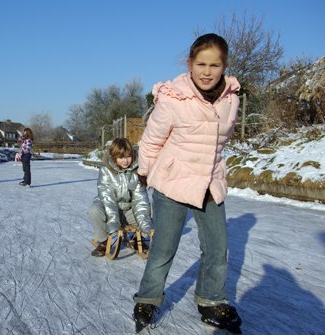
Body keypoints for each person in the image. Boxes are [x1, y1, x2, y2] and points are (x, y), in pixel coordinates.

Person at [132, 33, 242, 334]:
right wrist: (145, 171)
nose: (207, 71)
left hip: (209, 182)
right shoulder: (173, 98)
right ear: (190, 64)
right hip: (172, 182)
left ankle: (211, 300)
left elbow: (220, 142)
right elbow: (152, 141)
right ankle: (148, 298)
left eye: (215, 65)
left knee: (218, 248)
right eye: (201, 64)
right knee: (165, 247)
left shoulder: (231, 100)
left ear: (224, 66)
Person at [89, 138, 152, 257]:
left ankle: (137, 239)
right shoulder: (106, 171)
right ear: (114, 157)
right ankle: (103, 241)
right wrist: (114, 224)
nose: (126, 161)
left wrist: (146, 227)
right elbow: (108, 199)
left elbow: (140, 201)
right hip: (108, 207)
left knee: (150, 210)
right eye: (121, 157)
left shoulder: (137, 171)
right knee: (95, 211)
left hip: (128, 209)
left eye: (128, 156)